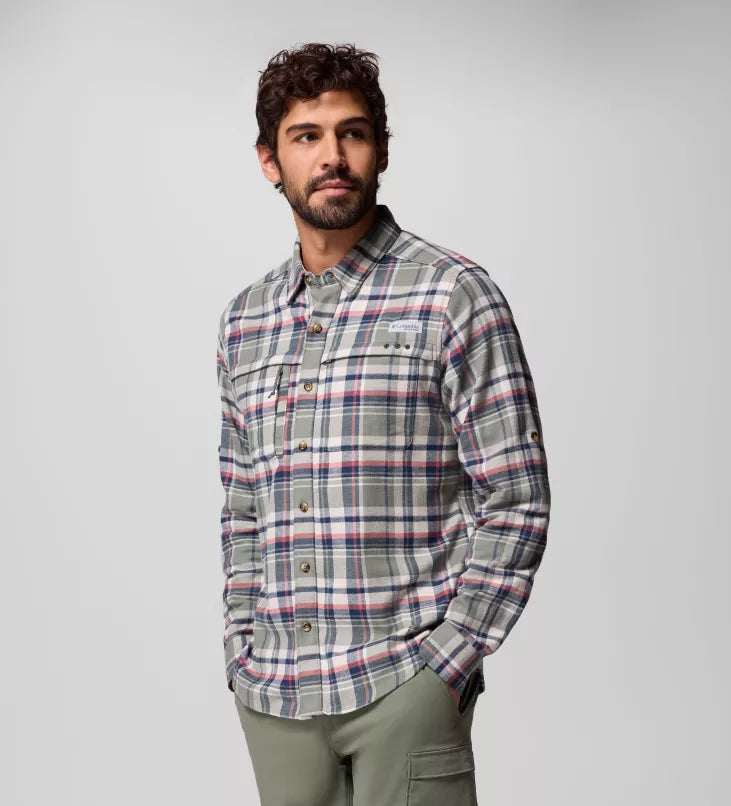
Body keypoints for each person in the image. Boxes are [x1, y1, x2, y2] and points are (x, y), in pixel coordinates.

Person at [215, 42, 551, 806]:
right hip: (275, 699)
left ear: (382, 152)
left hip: (404, 683)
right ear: (270, 161)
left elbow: (517, 496)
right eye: (307, 136)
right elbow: (242, 508)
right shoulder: (244, 322)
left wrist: (449, 662)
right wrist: (240, 650)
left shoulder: (453, 294)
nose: (332, 156)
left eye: (353, 134)